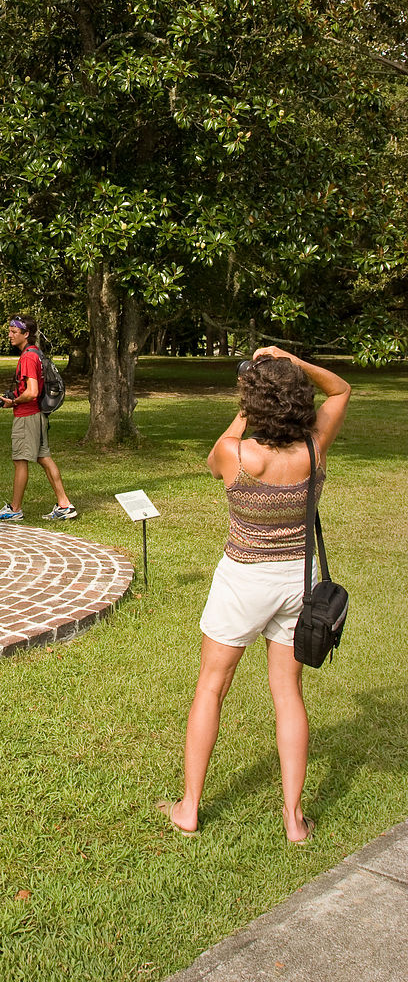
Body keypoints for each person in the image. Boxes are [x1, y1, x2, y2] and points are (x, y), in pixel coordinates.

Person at [159, 346, 351, 843]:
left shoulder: (237, 454)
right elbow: (340, 388)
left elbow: (215, 453)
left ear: (252, 402)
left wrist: (248, 402)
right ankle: (293, 819)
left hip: (244, 579)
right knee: (288, 695)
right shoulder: (314, 447)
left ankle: (190, 808)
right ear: (296, 400)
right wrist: (291, 362)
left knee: (211, 688)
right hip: (298, 582)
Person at [0, 315, 77, 523]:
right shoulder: (36, 353)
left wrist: (13, 402)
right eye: (9, 331)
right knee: (44, 458)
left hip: (27, 415)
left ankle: (15, 509)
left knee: (20, 461)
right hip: (38, 415)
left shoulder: (28, 357)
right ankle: (65, 505)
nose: (9, 335)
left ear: (26, 334)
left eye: (14, 332)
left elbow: (32, 392)